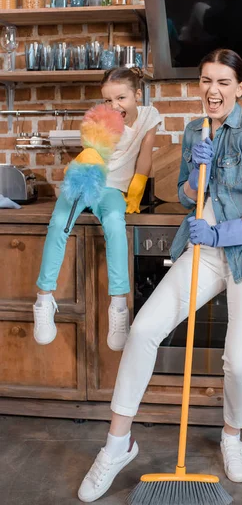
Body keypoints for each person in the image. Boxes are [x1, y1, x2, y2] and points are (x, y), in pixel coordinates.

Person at [77, 49, 242, 503]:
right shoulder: (194, 131)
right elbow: (187, 195)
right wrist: (193, 178)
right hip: (204, 252)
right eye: (207, 80)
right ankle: (117, 446)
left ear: (241, 87)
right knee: (144, 330)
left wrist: (222, 228)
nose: (213, 90)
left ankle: (231, 436)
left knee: (238, 362)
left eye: (224, 82)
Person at [33, 67, 161, 351]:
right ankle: (44, 299)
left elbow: (145, 155)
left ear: (137, 95)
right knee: (58, 225)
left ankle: (118, 306)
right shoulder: (101, 119)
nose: (114, 106)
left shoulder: (150, 117)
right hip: (85, 179)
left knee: (116, 225)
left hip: (113, 188)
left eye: (121, 98)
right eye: (107, 99)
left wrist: (137, 187)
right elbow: (92, 150)